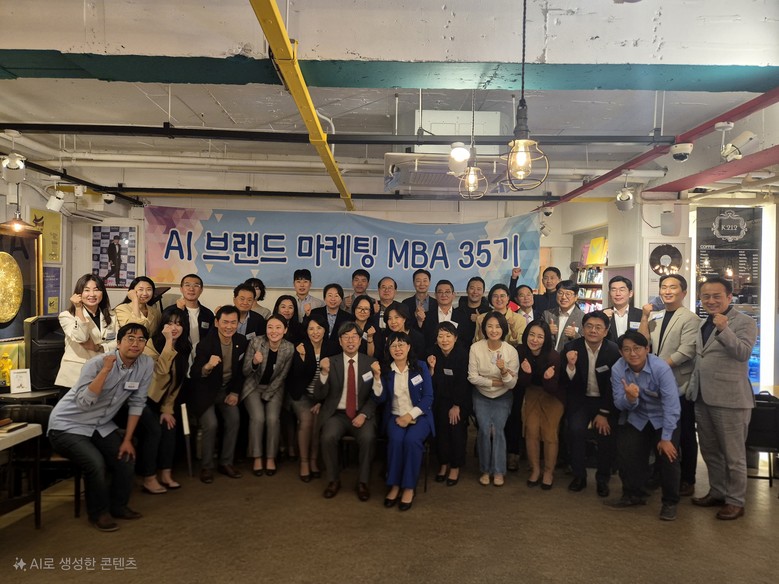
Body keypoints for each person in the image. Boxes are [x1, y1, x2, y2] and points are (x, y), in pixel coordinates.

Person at [48, 323, 153, 532]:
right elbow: (84, 402)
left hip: (100, 424)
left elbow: (138, 402)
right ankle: (99, 514)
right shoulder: (96, 363)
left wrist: (127, 439)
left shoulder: (145, 364)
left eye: (141, 339)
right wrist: (105, 371)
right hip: (68, 425)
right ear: (119, 342)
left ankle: (119, 506)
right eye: (130, 338)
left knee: (126, 456)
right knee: (95, 463)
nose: (135, 343)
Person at [689, 277, 757, 520]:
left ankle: (736, 501)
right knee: (709, 451)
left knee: (734, 456)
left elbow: (743, 353)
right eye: (706, 296)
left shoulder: (745, 322)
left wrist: (724, 329)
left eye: (716, 296)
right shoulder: (703, 322)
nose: (711, 300)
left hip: (731, 399)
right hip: (703, 396)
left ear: (729, 297)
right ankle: (717, 492)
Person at [637, 274, 700, 497]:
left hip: (678, 384)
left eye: (673, 287)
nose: (667, 291)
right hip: (655, 387)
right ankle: (660, 473)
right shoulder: (658, 315)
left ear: (684, 292)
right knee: (659, 430)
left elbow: (686, 351)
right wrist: (645, 316)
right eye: (664, 287)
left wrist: (658, 369)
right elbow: (642, 343)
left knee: (684, 433)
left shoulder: (690, 318)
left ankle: (687, 478)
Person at [608, 331, 681, 521]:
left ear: (647, 349)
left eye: (637, 348)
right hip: (638, 416)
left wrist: (666, 438)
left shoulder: (660, 368)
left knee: (668, 455)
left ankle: (670, 502)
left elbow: (672, 405)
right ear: (621, 352)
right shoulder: (618, 369)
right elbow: (619, 403)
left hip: (664, 418)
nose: (632, 353)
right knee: (627, 449)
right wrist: (630, 399)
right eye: (626, 349)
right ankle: (633, 494)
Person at [313, 322, 379, 501]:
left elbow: (375, 396)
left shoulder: (370, 363)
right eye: (346, 337)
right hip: (337, 414)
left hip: (361, 413)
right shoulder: (330, 362)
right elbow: (319, 394)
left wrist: (364, 414)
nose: (350, 341)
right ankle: (333, 480)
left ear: (360, 341)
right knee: (328, 437)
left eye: (354, 337)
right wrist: (323, 373)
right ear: (340, 341)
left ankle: (363, 482)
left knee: (368, 438)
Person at [372, 331, 434, 511]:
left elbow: (428, 397)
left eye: (401, 345)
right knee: (396, 440)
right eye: (393, 346)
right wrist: (377, 378)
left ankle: (408, 487)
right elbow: (380, 399)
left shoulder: (420, 367)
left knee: (412, 441)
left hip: (419, 415)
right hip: (395, 416)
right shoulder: (385, 370)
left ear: (408, 347)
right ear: (389, 349)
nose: (398, 349)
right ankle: (394, 485)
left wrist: (410, 415)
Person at [562, 311, 621, 497]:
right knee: (575, 431)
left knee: (606, 434)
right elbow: (565, 382)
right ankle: (579, 476)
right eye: (589, 326)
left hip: (605, 401)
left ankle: (602, 478)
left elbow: (615, 386)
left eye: (598, 327)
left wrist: (604, 413)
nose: (593, 331)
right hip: (580, 400)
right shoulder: (571, 347)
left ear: (606, 331)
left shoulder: (613, 351)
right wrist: (571, 366)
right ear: (583, 328)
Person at [189, 306, 249, 484]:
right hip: (205, 392)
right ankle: (207, 467)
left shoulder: (241, 341)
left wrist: (235, 392)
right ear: (216, 323)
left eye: (233, 322)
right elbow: (195, 373)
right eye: (225, 322)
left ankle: (226, 463)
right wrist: (208, 366)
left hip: (226, 391)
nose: (229, 326)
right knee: (211, 424)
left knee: (234, 418)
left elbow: (241, 372)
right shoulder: (206, 344)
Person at [138, 307, 191, 494]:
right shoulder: (151, 344)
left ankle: (166, 473)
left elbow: (177, 382)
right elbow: (160, 373)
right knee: (154, 431)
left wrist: (167, 408)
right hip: (144, 399)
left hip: (163, 401)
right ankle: (149, 477)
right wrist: (168, 342)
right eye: (169, 323)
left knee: (170, 427)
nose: (174, 328)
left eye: (179, 324)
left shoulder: (184, 348)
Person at [468, 311, 519, 487]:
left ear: (503, 329)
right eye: (489, 326)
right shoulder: (476, 348)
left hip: (503, 397)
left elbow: (512, 384)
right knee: (484, 429)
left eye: (498, 326)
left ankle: (498, 470)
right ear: (484, 328)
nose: (493, 330)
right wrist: (495, 382)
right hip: (481, 395)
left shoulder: (510, 351)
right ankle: (485, 470)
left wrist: (503, 371)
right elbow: (472, 378)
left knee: (497, 430)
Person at [241, 313, 294, 477]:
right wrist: (254, 362)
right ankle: (257, 457)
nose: (274, 331)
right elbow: (245, 371)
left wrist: (268, 395)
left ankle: (271, 457)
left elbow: (282, 376)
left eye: (278, 327)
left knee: (272, 419)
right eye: (270, 327)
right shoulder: (256, 342)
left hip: (274, 387)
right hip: (253, 386)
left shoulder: (289, 348)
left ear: (285, 330)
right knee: (258, 418)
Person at [518, 320, 562, 490]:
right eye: (532, 335)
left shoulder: (553, 357)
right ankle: (535, 469)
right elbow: (521, 384)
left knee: (549, 432)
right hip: (532, 392)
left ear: (546, 339)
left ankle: (549, 472)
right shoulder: (521, 351)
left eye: (540, 336)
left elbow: (553, 388)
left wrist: (547, 378)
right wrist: (526, 373)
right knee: (531, 430)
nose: (535, 340)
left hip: (553, 395)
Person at [55, 274, 117, 392]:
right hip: (75, 377)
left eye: (96, 290)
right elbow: (81, 337)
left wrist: (99, 348)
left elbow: (118, 342)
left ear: (102, 293)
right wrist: (78, 308)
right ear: (79, 294)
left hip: (103, 375)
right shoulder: (67, 316)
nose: (92, 294)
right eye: (87, 290)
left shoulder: (112, 315)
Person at [426, 321, 470, 487]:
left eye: (448, 336)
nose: (444, 340)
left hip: (459, 401)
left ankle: (455, 466)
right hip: (439, 400)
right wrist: (431, 368)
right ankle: (443, 463)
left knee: (455, 429)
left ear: (455, 338)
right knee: (440, 430)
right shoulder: (432, 353)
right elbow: (429, 382)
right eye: (440, 336)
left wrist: (457, 405)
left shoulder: (462, 355)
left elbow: (463, 383)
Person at [287, 312, 328, 481]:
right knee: (306, 421)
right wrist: (303, 357)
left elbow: (334, 379)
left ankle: (313, 460)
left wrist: (321, 401)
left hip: (323, 396)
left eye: (319, 328)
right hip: (301, 394)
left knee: (318, 422)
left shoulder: (332, 347)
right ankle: (304, 462)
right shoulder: (300, 347)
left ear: (325, 330)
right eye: (311, 329)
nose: (315, 332)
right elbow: (295, 376)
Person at [175, 274, 215, 371]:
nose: (191, 289)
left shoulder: (208, 314)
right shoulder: (172, 311)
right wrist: (179, 312)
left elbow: (211, 339)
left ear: (201, 290)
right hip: (178, 360)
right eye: (187, 285)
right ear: (181, 289)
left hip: (201, 361)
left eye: (196, 285)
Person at [420, 279, 469, 351]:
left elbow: (465, 340)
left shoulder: (462, 316)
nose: (443, 295)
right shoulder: (427, 316)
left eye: (447, 292)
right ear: (435, 295)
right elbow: (424, 340)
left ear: (453, 295)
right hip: (432, 355)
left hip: (456, 355)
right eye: (440, 292)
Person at [309, 283, 355, 357]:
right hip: (316, 353)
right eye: (330, 295)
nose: (333, 299)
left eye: (336, 296)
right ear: (324, 298)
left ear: (341, 299)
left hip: (339, 355)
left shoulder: (348, 318)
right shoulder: (315, 313)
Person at [544, 280, 584, 352]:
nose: (563, 297)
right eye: (560, 293)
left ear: (576, 297)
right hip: (548, 356)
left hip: (569, 357)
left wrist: (575, 335)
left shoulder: (583, 317)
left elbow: (587, 343)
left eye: (568, 294)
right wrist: (546, 331)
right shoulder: (547, 314)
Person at [603, 276, 643, 343]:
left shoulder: (641, 315)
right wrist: (603, 320)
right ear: (609, 294)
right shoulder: (601, 315)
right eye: (613, 290)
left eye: (622, 290)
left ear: (630, 293)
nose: (617, 294)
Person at [457, 276, 489, 349]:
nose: (475, 292)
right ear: (467, 290)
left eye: (479, 289)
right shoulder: (456, 312)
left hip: (483, 350)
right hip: (461, 351)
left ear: (483, 292)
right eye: (472, 288)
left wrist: (480, 320)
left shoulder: (489, 313)